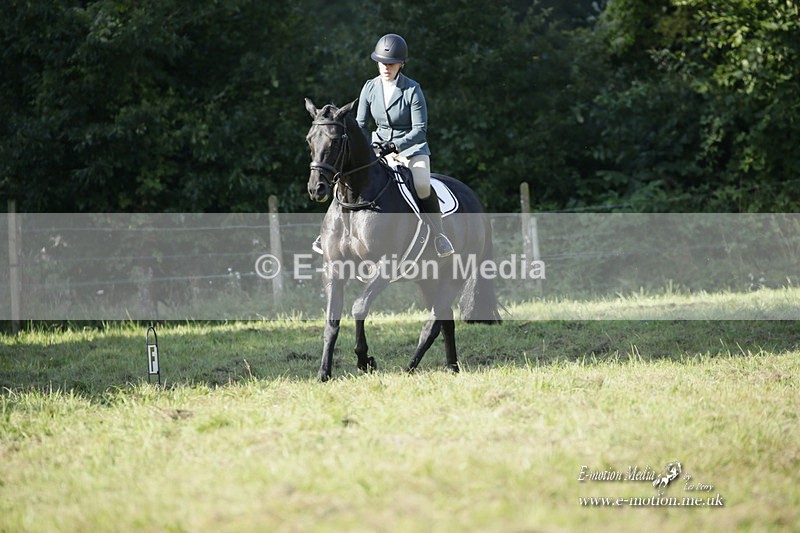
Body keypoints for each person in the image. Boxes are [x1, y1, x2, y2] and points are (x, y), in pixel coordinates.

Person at [356, 33, 454, 258]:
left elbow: (420, 130)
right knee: (350, 176)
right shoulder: (369, 88)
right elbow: (361, 124)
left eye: (391, 64)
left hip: (411, 150)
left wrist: (394, 145)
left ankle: (439, 235)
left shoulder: (412, 90)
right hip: (378, 149)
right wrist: (366, 148)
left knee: (421, 185)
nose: (386, 68)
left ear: (401, 64)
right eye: (382, 63)